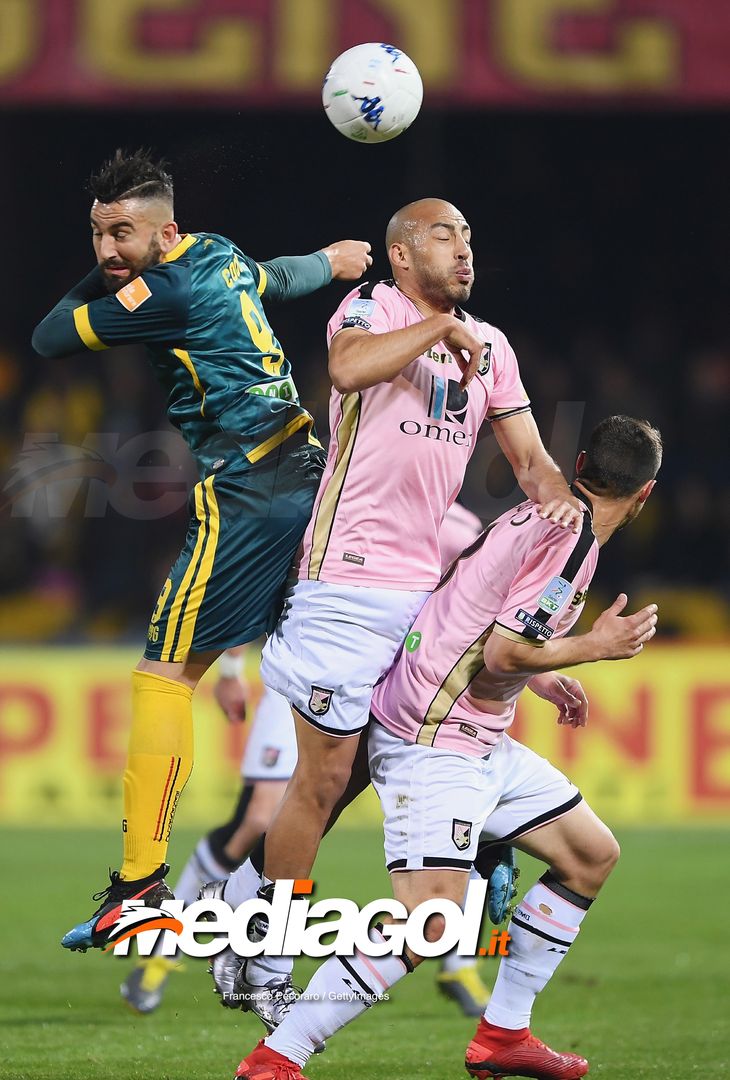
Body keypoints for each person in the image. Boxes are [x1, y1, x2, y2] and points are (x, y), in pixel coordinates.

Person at [214, 198, 584, 1027]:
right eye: (446, 236)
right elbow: (346, 370)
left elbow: (530, 460)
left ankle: (239, 903)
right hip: (344, 584)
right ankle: (265, 958)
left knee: (351, 781)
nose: (464, 250)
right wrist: (436, 333)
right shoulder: (372, 307)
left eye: (470, 238)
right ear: (402, 254)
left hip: (424, 594)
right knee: (320, 779)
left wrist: (560, 497)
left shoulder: (491, 348)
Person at [233, 414, 662, 1080]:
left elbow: (470, 604)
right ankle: (277, 1056)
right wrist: (594, 648)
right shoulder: (573, 543)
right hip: (433, 739)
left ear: (578, 465)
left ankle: (503, 1035)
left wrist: (541, 673)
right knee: (430, 923)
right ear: (645, 494)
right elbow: (500, 651)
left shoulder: (541, 513)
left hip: (477, 734)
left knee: (589, 854)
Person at [31, 148, 372, 952]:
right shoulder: (214, 253)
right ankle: (488, 837)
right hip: (307, 470)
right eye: (97, 234)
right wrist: (331, 261)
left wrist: (110, 279)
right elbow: (275, 277)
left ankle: (140, 888)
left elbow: (49, 338)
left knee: (161, 675)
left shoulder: (165, 291)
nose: (108, 250)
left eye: (122, 233)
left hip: (248, 491)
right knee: (350, 673)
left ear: (166, 230)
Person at [122, 504, 495, 1017]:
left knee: (444, 809)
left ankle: (458, 964)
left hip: (394, 683)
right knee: (257, 819)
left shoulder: (460, 528)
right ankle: (165, 953)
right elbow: (265, 576)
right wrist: (231, 663)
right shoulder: (339, 499)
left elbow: (472, 614)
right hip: (310, 665)